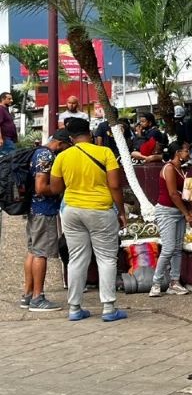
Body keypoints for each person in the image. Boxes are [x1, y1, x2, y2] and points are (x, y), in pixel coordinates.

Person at [50, 118, 128, 322]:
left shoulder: (62, 156)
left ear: (70, 137)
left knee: (76, 258)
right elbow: (114, 185)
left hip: (72, 210)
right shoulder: (105, 153)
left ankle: (75, 308)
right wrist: (121, 212)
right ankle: (109, 308)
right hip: (100, 210)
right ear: (91, 133)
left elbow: (56, 188)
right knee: (106, 258)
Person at [21, 129, 73, 312]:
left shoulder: (37, 152)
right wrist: (59, 189)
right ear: (61, 143)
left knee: (33, 251)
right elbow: (41, 187)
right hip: (44, 210)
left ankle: (27, 295)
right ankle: (37, 298)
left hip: (34, 209)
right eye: (67, 147)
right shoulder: (47, 156)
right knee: (41, 253)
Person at [150, 141, 192, 298]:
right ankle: (156, 283)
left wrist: (190, 210)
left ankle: (174, 282)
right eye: (186, 151)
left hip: (179, 211)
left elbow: (184, 194)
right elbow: (173, 194)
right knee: (169, 248)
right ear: (177, 153)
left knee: (178, 248)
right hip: (166, 212)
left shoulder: (181, 170)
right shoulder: (169, 168)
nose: (188, 153)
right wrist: (186, 213)